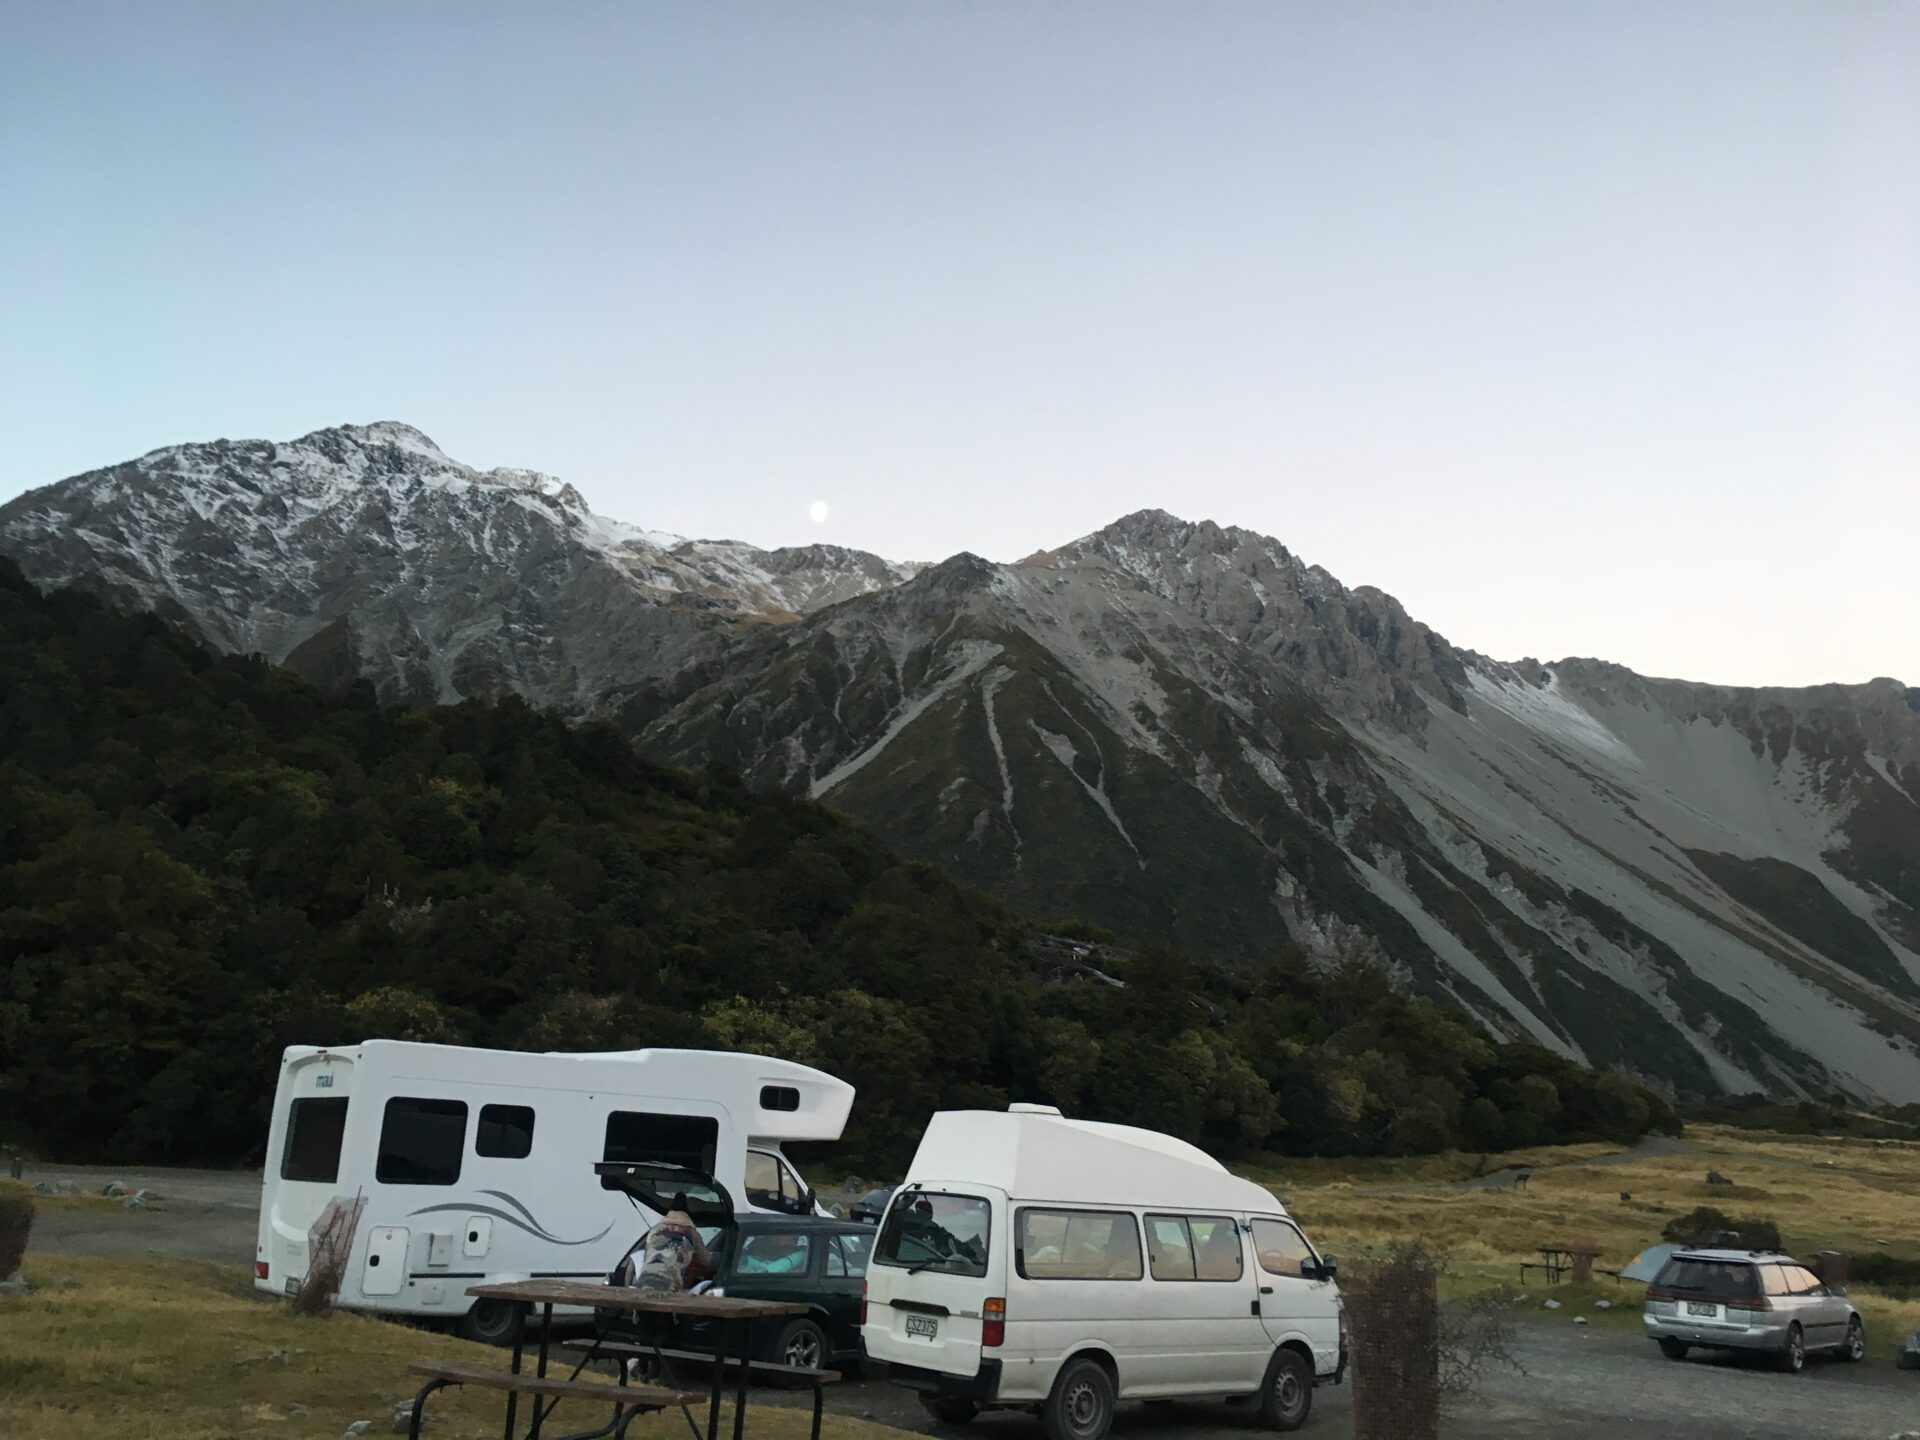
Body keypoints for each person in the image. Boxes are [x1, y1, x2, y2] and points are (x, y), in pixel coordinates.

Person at [616, 1192, 714, 1293]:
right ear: (689, 1213)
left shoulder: (655, 1230)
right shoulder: (691, 1234)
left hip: (644, 1282)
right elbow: (707, 1261)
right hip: (670, 1286)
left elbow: (645, 1258)